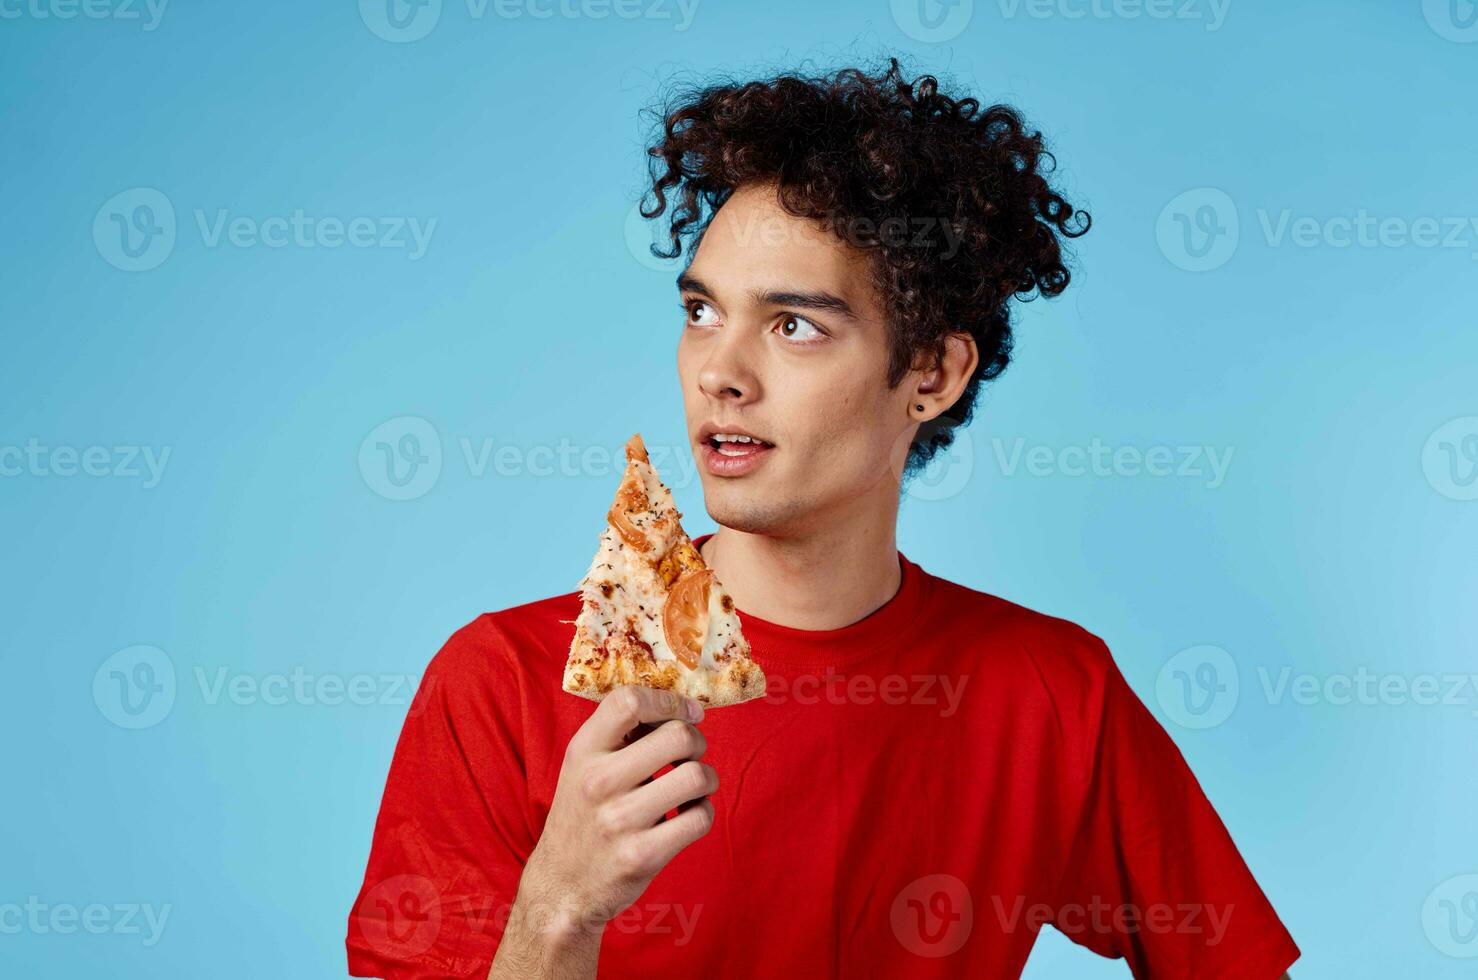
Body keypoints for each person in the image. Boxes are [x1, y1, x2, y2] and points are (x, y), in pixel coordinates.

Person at [346, 58, 1299, 979]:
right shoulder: (502, 684)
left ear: (932, 374)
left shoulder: (1053, 694)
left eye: (794, 324)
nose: (721, 371)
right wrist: (560, 905)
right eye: (701, 311)